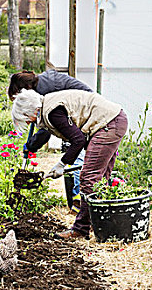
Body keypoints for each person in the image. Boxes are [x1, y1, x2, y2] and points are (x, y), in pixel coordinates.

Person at [12, 89, 128, 240]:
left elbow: (78, 140)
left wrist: (62, 164)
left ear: (31, 112)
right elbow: (49, 134)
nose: (28, 123)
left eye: (26, 119)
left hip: (108, 124)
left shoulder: (52, 112)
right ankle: (101, 224)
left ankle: (81, 229)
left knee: (88, 178)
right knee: (100, 179)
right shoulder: (48, 107)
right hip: (114, 119)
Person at [8, 70, 93, 213]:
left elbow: (45, 130)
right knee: (76, 149)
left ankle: (80, 200)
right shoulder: (40, 85)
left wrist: (31, 145)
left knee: (80, 154)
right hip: (78, 109)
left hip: (85, 110)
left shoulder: (44, 94)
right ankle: (79, 199)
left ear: (25, 90)